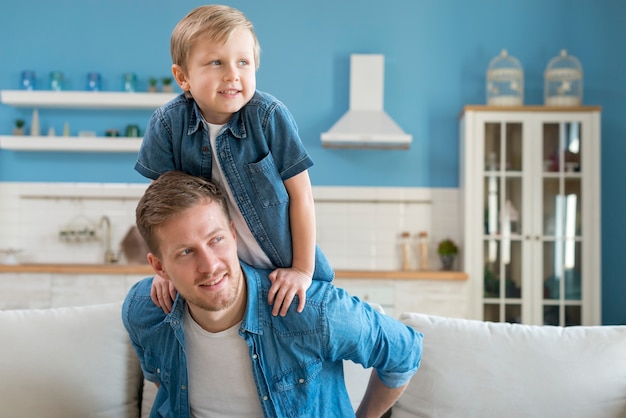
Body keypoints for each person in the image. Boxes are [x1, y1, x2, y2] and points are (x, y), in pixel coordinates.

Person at [122, 171, 423, 417]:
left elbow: (404, 351)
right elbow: (161, 381)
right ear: (159, 267)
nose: (210, 266)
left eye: (216, 240)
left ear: (233, 233)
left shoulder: (307, 310)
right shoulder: (144, 311)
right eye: (186, 252)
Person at [135, 4, 332, 317]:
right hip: (220, 277)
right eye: (216, 62)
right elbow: (160, 214)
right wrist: (166, 273)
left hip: (281, 267)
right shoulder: (167, 124)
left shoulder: (269, 117)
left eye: (244, 62)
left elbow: (302, 197)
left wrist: (302, 271)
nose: (232, 74)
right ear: (182, 77)